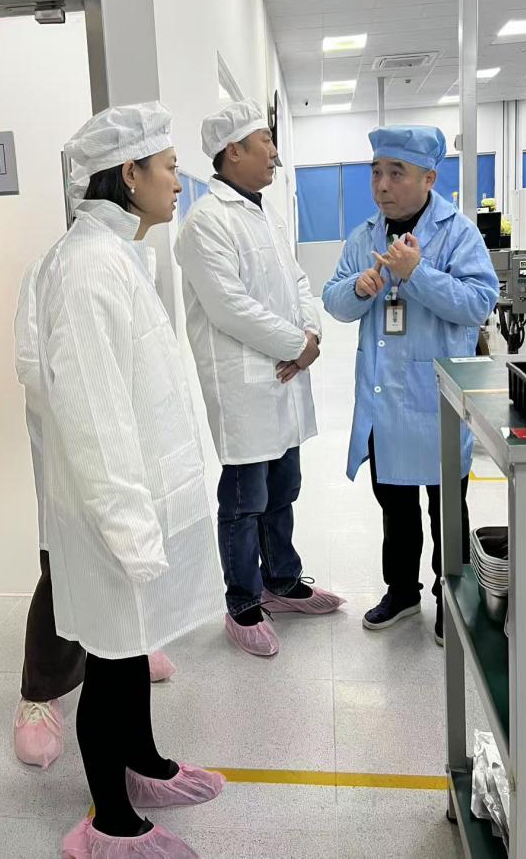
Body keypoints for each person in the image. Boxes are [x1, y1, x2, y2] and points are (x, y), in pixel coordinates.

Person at [33, 101, 225, 859]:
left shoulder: (117, 254)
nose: (179, 180)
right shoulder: (86, 267)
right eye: (170, 166)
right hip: (110, 511)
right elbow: (94, 417)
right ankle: (109, 822)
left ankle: (142, 764)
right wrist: (131, 529)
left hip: (137, 500)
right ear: (130, 172)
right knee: (111, 661)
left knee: (133, 646)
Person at [174, 99, 344, 659]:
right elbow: (230, 307)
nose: (273, 152)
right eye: (264, 141)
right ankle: (243, 603)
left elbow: (298, 281)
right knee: (245, 499)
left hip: (283, 376)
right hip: (245, 383)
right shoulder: (205, 222)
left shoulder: (265, 213)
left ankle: (282, 582)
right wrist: (297, 345)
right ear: (233, 151)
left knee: (283, 488)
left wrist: (311, 334)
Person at [322, 125, 499, 646]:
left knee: (447, 511)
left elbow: (478, 303)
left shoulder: (457, 232)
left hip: (437, 397)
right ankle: (401, 591)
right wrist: (359, 289)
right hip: (386, 400)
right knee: (394, 507)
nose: (382, 185)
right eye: (376, 172)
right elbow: (333, 300)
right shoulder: (364, 236)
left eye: (396, 173)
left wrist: (416, 273)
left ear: (428, 179)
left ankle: (453, 600)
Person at [12, 259, 177, 772]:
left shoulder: (135, 261)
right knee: (63, 570)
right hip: (77, 446)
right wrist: (98, 407)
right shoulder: (57, 268)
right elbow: (34, 367)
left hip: (131, 446)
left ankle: (128, 647)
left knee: (128, 559)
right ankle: (40, 689)